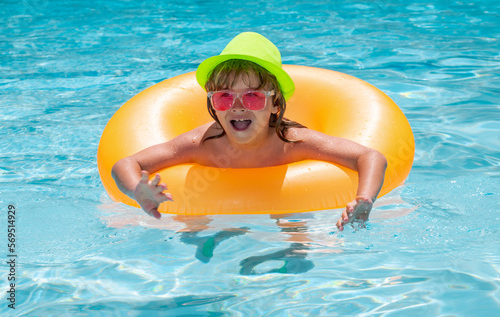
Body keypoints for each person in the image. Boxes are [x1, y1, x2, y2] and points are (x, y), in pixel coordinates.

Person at [111, 32, 387, 231]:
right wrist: (138, 191)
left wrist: (364, 200)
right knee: (193, 237)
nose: (238, 107)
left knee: (297, 244)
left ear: (275, 104)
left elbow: (370, 157)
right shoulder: (203, 143)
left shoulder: (292, 142)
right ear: (213, 106)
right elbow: (126, 163)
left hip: (285, 213)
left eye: (253, 97)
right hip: (214, 217)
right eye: (224, 98)